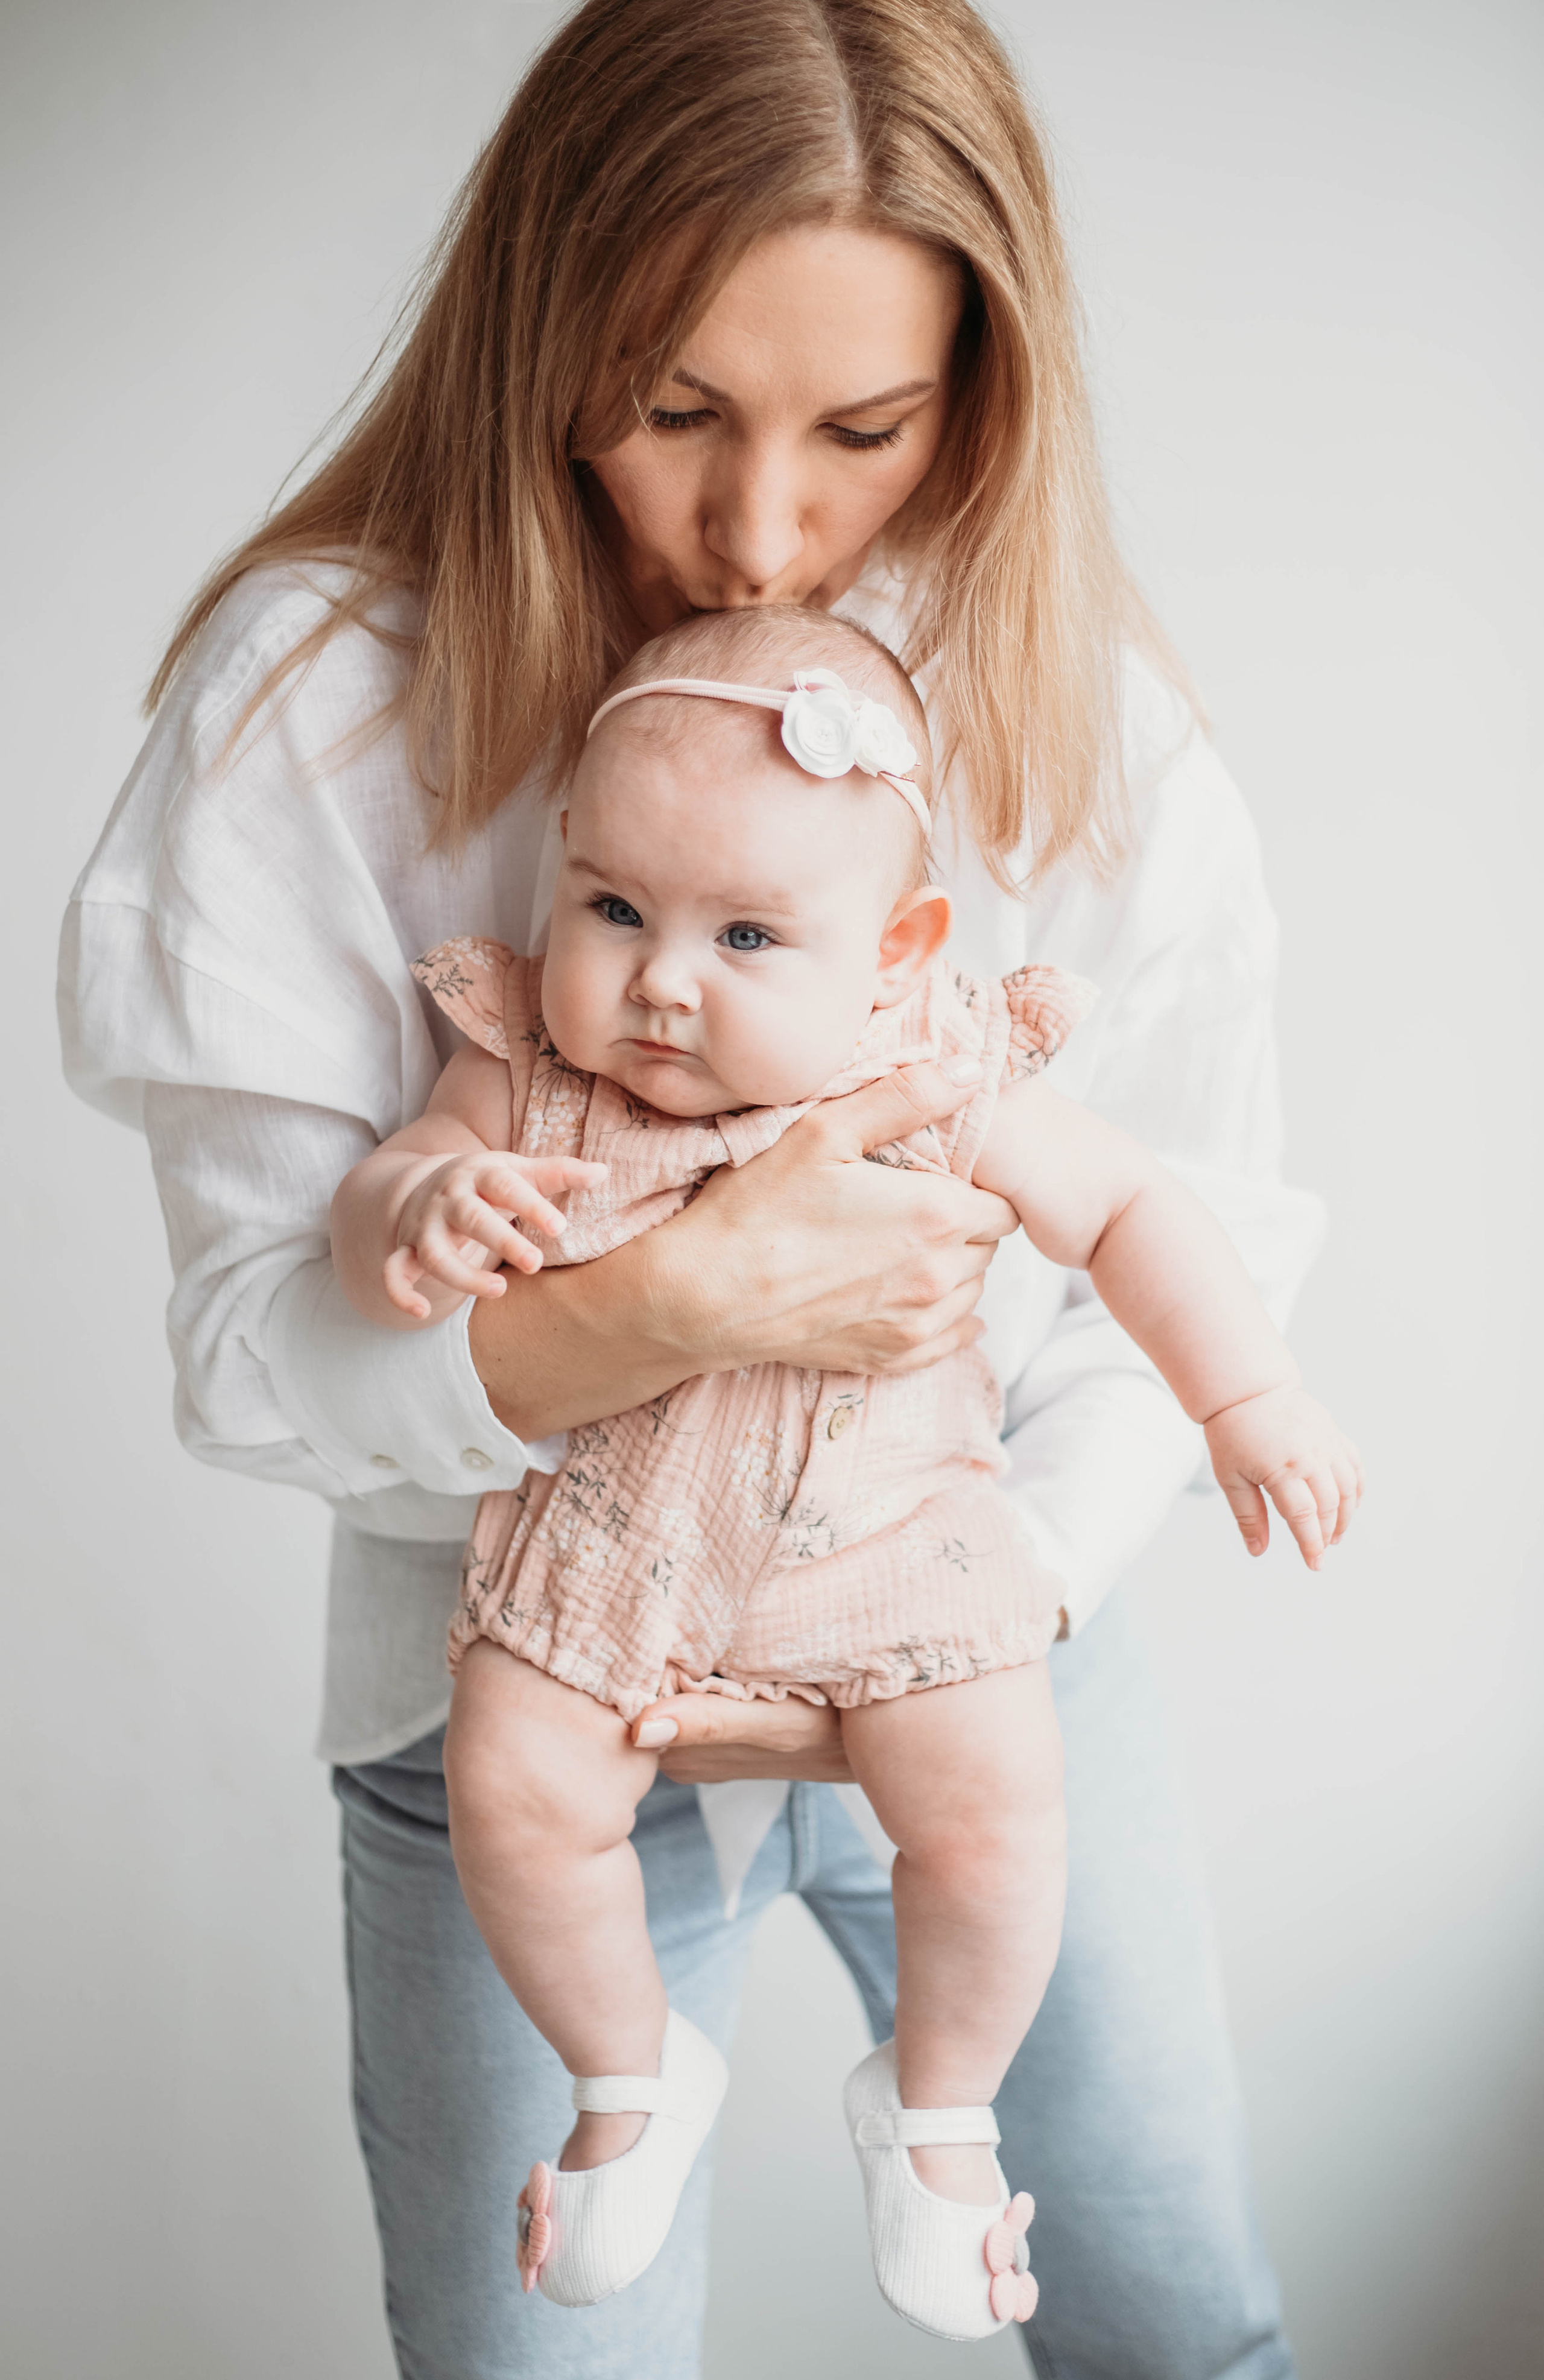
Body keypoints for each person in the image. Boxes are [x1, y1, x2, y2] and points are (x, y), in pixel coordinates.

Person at [58, 2, 1329, 2371]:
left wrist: (963, 1600)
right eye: (674, 411)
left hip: (986, 1619)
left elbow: (1189, 1208)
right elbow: (256, 1347)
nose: (758, 532)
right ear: (542, 339)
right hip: (520, 1662)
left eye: (867, 430)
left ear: (985, 384)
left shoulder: (1061, 692)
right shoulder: (311, 703)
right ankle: (647, 2084)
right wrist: (658, 1303)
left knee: (1172, 2323)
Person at [327, 602, 1359, 2343]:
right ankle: (627, 2078)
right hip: (617, 1561)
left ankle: (942, 2108)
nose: (661, 977)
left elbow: (1126, 1208)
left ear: (897, 951)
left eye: (745, 932)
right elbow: (386, 1199)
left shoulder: (934, 1061)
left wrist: (1242, 1388)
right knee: (512, 1779)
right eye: (612, 909)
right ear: (556, 884)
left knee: (997, 1813)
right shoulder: (524, 1065)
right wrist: (414, 1209)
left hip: (893, 1552)